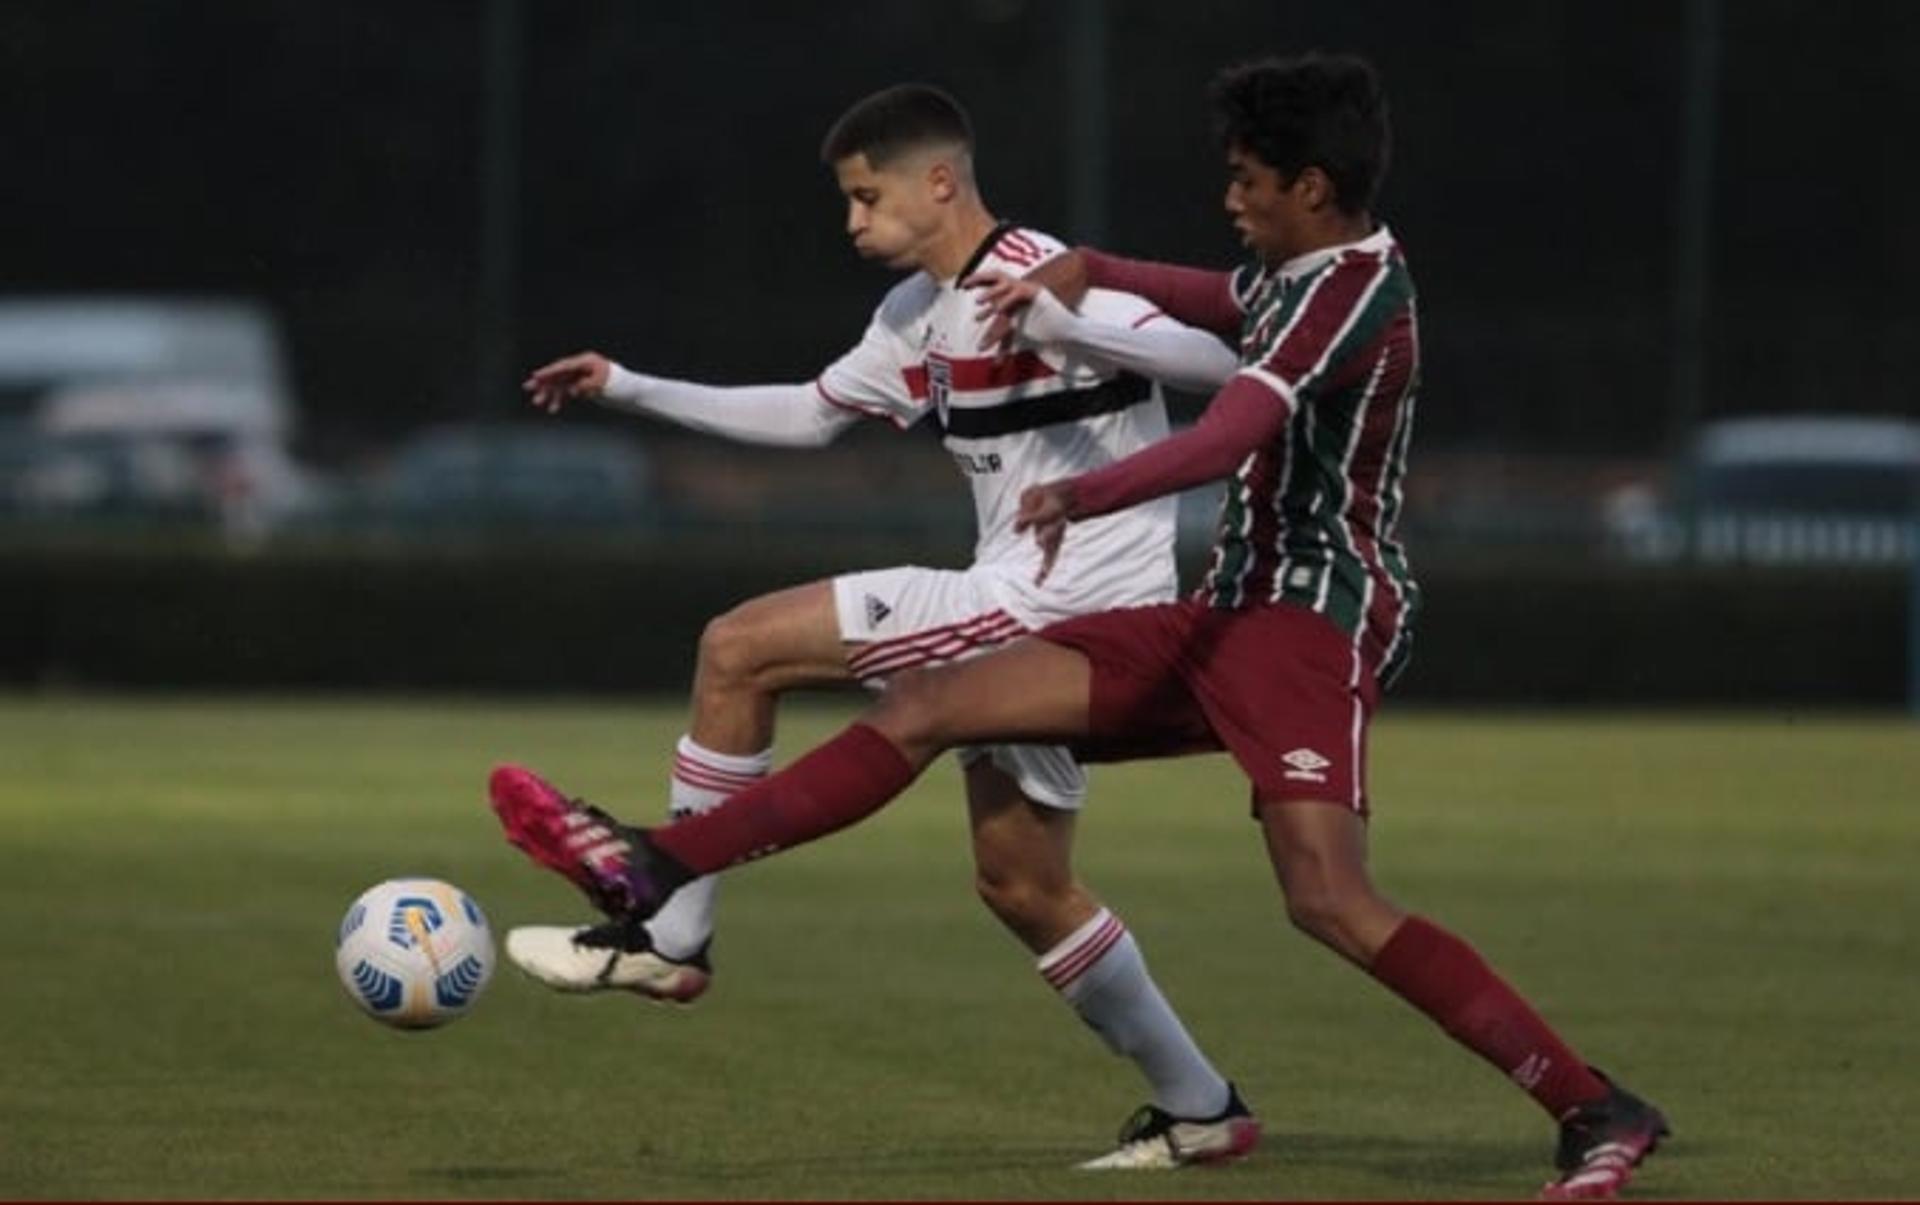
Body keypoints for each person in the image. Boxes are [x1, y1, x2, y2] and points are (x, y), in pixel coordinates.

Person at [492, 55, 1671, 1199]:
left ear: (1310, 187)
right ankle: (667, 867)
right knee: (980, 800)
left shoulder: (1349, 294)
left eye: (1247, 179)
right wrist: (1088, 269)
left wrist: (1083, 436)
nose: (1228, 199)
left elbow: (1223, 417)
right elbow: (1202, 301)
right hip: (1212, 615)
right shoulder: (1268, 275)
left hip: (1309, 619)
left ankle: (1592, 1105)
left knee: (1328, 899)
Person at [501, 83, 1262, 1170]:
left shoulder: (1040, 271)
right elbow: (813, 413)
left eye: (866, 198)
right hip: (1015, 601)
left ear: (939, 182)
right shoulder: (916, 312)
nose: (852, 221)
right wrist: (628, 382)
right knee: (1022, 884)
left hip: (1065, 607)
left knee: (738, 645)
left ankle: (670, 933)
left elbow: (1227, 369)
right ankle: (1203, 1106)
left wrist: (1071, 318)